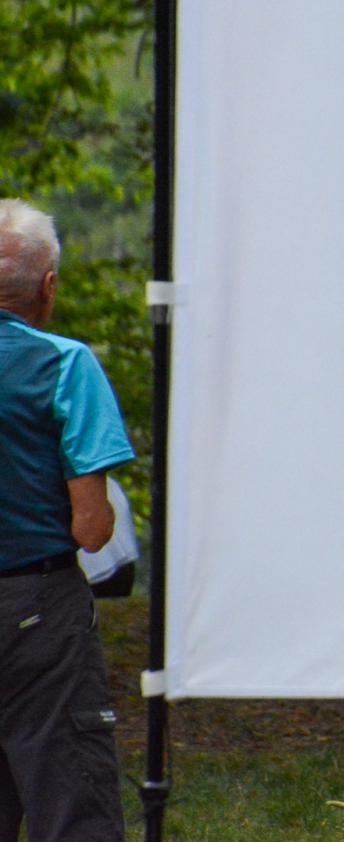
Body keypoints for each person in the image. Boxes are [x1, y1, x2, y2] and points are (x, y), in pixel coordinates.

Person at [0, 198, 132, 840]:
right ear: (48, 286)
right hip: (36, 611)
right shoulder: (64, 365)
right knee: (69, 805)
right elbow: (92, 530)